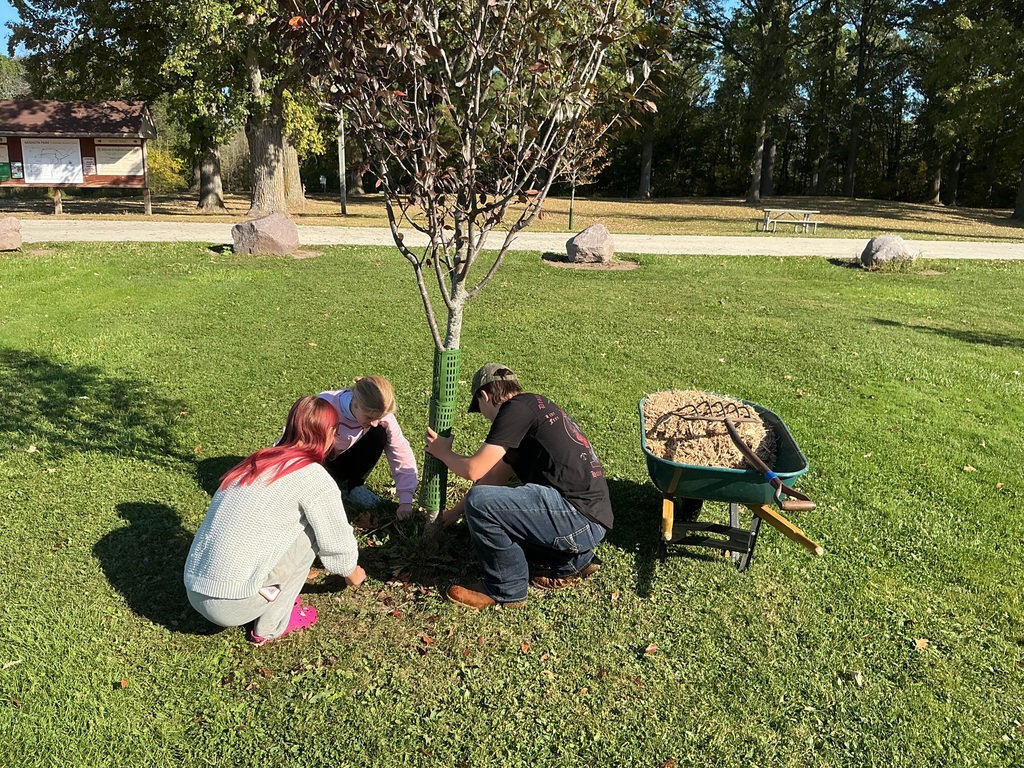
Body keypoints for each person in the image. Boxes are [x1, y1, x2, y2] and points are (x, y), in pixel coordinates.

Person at [424, 364, 613, 609]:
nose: (487, 418)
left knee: (481, 503)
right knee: (490, 507)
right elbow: (494, 477)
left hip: (576, 518)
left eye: (481, 410)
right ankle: (574, 562)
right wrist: (456, 512)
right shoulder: (535, 409)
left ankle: (505, 588)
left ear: (485, 396)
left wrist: (443, 452)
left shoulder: (514, 410)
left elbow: (474, 470)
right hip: (591, 521)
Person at [184, 396, 366, 645]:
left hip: (194, 588)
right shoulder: (314, 478)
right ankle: (271, 625)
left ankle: (262, 593)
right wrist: (353, 573)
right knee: (312, 532)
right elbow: (337, 542)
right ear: (329, 433)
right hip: (230, 604)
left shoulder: (254, 463)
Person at [318, 376, 418, 520]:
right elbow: (296, 441)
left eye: (379, 417)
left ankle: (355, 486)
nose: (374, 422)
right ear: (356, 404)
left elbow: (400, 451)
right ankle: (321, 488)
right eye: (369, 417)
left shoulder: (379, 415)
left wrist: (406, 500)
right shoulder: (325, 405)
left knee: (380, 431)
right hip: (319, 463)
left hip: (346, 459)